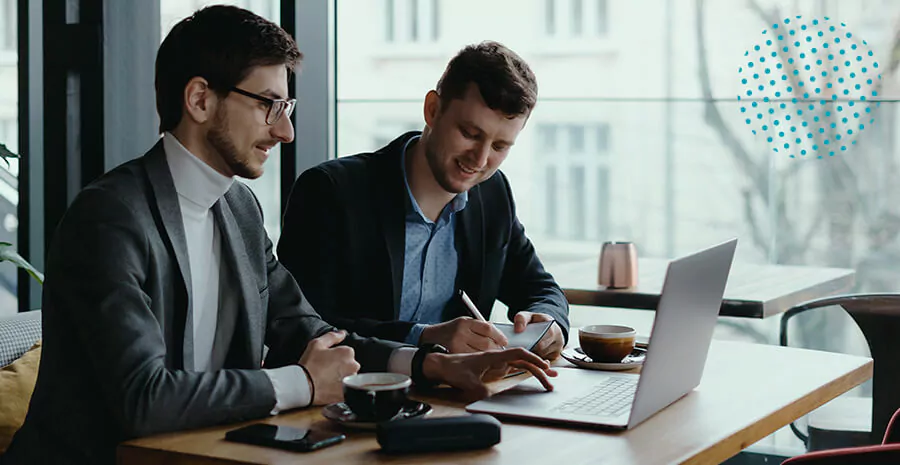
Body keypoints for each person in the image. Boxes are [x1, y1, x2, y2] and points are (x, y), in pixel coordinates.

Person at [2, 8, 555, 465]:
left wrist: (432, 364)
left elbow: (310, 331)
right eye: (269, 105)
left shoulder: (238, 208)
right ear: (199, 99)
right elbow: (142, 398)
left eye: (286, 107)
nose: (286, 130)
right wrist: (301, 384)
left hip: (213, 453)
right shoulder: (110, 216)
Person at [277, 41, 569, 361]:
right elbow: (302, 327)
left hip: (458, 397)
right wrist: (423, 337)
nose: (481, 159)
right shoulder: (330, 192)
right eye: (470, 133)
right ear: (432, 110)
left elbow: (540, 287)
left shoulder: (492, 192)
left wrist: (549, 322)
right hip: (356, 397)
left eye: (500, 146)